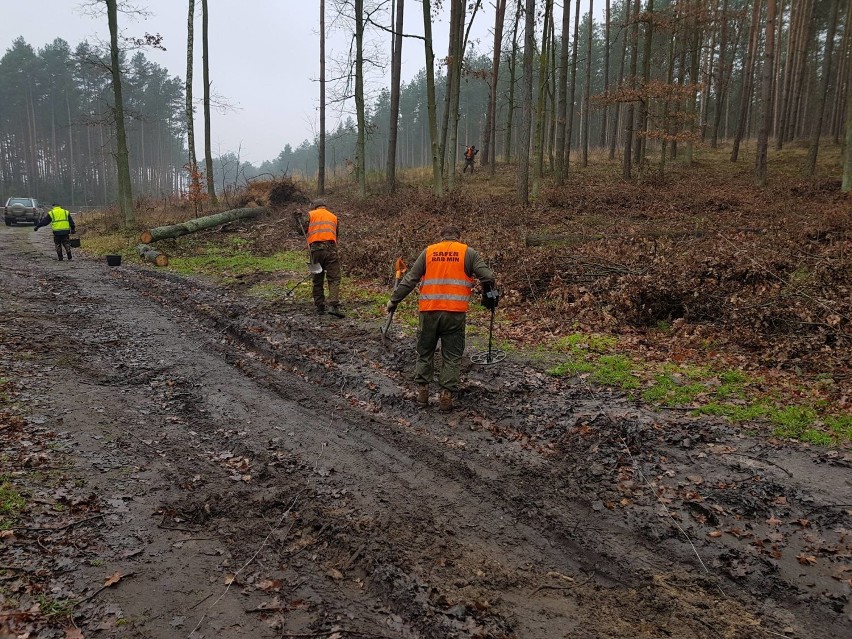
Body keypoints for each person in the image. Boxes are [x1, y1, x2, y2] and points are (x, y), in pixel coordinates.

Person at [385, 226, 498, 412]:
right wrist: (488, 296)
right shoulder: (468, 253)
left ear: (441, 237)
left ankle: (422, 392)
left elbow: (411, 279)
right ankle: (446, 395)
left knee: (425, 351)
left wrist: (393, 300)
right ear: (458, 238)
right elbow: (488, 276)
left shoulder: (429, 252)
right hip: (455, 313)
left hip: (429, 311)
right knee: (452, 355)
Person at [299, 199, 344, 318]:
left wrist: (296, 220)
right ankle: (333, 305)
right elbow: (336, 235)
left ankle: (319, 306)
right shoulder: (334, 217)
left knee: (317, 279)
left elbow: (301, 231)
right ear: (325, 207)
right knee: (334, 278)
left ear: (315, 207)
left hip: (314, 252)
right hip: (331, 251)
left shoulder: (310, 214)